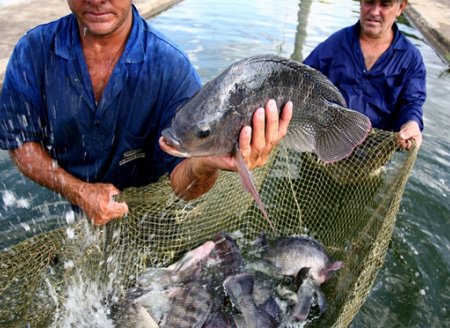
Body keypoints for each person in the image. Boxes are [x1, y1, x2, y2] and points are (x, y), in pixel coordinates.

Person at [0, 0, 292, 226]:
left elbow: (183, 184)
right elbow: (19, 140)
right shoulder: (33, 50)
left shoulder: (172, 68)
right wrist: (76, 191)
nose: (98, 0)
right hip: (71, 206)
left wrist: (204, 163)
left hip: (152, 214)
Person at [303, 0, 425, 150]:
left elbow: (411, 103)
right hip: (325, 150)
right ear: (361, 2)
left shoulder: (410, 58)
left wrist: (411, 123)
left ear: (400, 7)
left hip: (372, 155)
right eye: (369, 2)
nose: (374, 12)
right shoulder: (335, 44)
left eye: (385, 5)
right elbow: (302, 81)